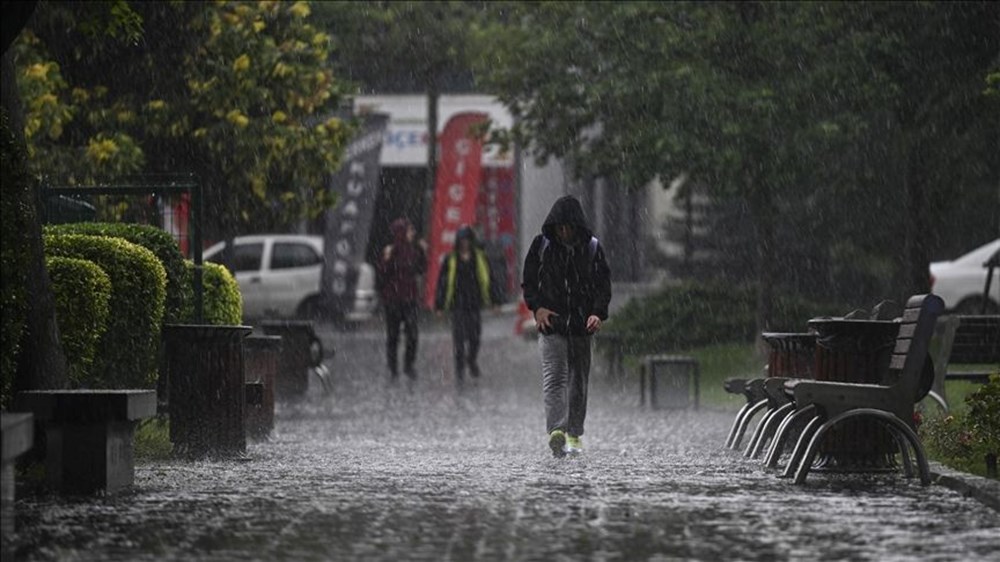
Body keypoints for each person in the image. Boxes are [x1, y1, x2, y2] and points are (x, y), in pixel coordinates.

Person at [522, 195, 611, 457]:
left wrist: (597, 313)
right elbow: (529, 280)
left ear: (576, 226)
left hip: (582, 328)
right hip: (552, 326)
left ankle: (574, 432)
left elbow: (602, 286)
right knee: (554, 378)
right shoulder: (542, 246)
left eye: (567, 227)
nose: (563, 232)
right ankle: (557, 430)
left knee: (579, 381)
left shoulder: (592, 249)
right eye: (559, 227)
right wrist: (536, 308)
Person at [433, 225, 498, 385]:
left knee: (475, 338)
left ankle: (472, 360)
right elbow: (442, 282)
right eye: (462, 240)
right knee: (459, 340)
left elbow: (490, 279)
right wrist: (439, 305)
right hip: (458, 305)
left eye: (467, 240)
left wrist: (495, 301)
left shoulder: (480, 258)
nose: (464, 244)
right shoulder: (451, 259)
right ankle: (460, 371)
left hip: (474, 303)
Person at [378, 217, 427, 380]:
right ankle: (393, 368)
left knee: (412, 334)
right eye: (410, 230)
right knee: (393, 335)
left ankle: (408, 365)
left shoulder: (414, 251)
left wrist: (423, 252)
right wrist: (386, 259)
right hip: (393, 300)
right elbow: (383, 274)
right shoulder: (391, 251)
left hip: (410, 299)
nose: (412, 233)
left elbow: (421, 269)